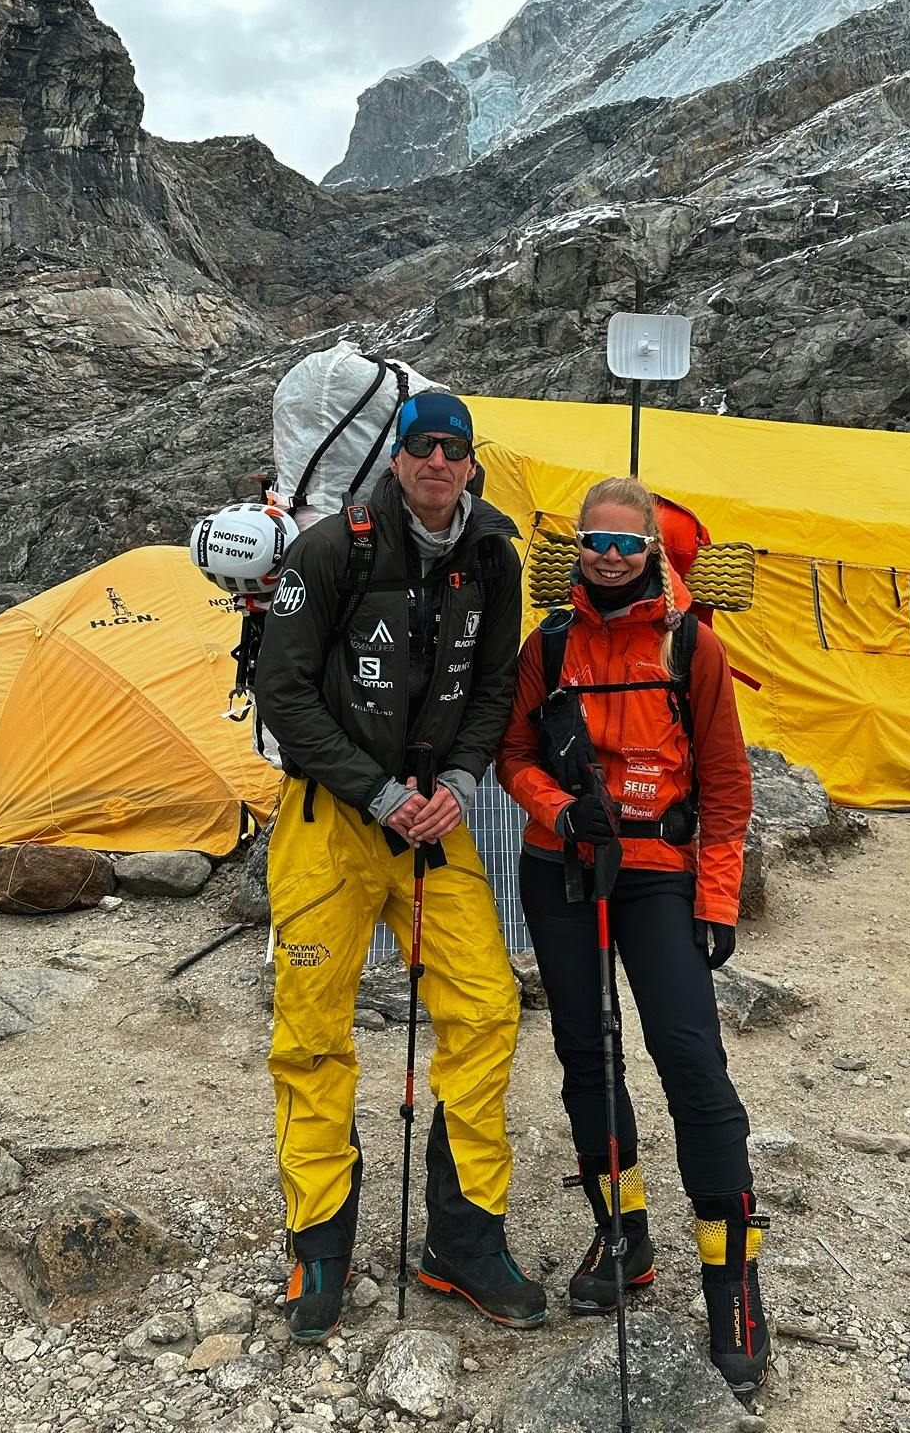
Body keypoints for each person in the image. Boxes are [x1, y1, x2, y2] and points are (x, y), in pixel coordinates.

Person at [255, 390, 545, 1341]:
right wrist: (379, 794)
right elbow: (284, 692)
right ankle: (319, 1247)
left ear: (470, 464)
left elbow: (496, 681)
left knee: (486, 1006)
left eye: (452, 449)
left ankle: (461, 1242)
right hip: (331, 820)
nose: (435, 461)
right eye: (421, 445)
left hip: (436, 822)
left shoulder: (492, 558)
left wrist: (459, 778)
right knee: (310, 1030)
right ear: (400, 457)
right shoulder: (333, 549)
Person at [496, 475, 768, 1392]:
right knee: (586, 1052)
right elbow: (514, 753)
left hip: (659, 875)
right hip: (561, 866)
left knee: (690, 1056)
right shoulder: (550, 642)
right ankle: (625, 1234)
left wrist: (717, 900)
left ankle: (732, 1275)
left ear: (653, 549)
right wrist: (558, 810)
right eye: (593, 542)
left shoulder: (693, 643)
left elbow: (726, 785)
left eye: (626, 544)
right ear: (575, 548)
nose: (609, 557)